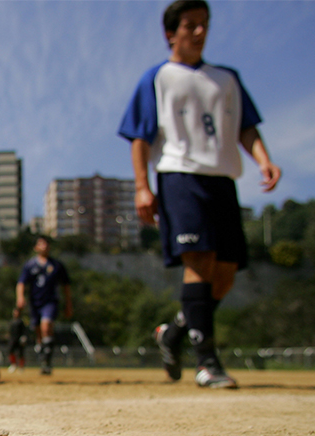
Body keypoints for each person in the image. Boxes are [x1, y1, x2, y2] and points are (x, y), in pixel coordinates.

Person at [118, 0, 281, 388]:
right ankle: (207, 362)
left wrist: (263, 159)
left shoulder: (227, 78)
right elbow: (140, 137)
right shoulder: (158, 77)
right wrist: (142, 186)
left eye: (203, 24)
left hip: (222, 178)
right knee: (199, 260)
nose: (198, 31)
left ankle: (174, 332)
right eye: (190, 25)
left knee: (223, 275)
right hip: (179, 175)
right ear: (170, 33)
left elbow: (246, 127)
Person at [15, 236, 73, 375]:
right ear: (36, 248)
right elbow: (21, 283)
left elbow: (66, 286)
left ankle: (47, 361)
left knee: (46, 326)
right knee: (38, 332)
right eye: (41, 244)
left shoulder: (57, 265)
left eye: (46, 244)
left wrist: (68, 304)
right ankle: (43, 358)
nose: (44, 246)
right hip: (35, 303)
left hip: (50, 302)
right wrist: (20, 298)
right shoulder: (30, 265)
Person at [7, 307, 27, 373]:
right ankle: (13, 364)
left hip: (19, 340)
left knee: (20, 353)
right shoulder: (12, 322)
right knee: (10, 351)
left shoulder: (21, 322)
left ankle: (21, 366)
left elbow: (24, 331)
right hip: (13, 339)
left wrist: (24, 337)